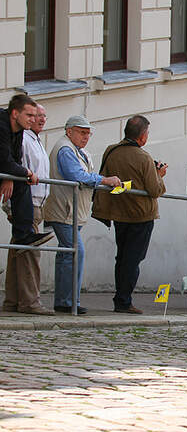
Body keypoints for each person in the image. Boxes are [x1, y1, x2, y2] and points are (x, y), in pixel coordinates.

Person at [42, 115, 122, 315]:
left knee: (66, 254)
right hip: (65, 209)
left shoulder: (78, 151)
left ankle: (64, 300)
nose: (86, 137)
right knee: (76, 252)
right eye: (82, 132)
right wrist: (104, 180)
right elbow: (76, 176)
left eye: (88, 133)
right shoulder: (66, 149)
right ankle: (69, 301)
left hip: (73, 210)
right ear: (69, 131)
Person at [91, 115, 166, 314]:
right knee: (133, 260)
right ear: (142, 136)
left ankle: (121, 298)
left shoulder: (111, 150)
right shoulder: (144, 157)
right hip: (140, 216)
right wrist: (159, 175)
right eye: (147, 133)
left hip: (118, 213)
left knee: (122, 258)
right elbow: (154, 190)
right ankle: (124, 300)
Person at [3, 104, 53, 315]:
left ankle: (13, 300)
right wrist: (11, 179)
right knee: (29, 251)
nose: (38, 119)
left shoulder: (34, 138)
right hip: (27, 202)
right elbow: (13, 162)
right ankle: (30, 301)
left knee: (19, 249)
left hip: (35, 201)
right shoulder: (22, 137)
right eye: (34, 115)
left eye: (42, 116)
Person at [0, 94, 52, 247]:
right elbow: (4, 161)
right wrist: (27, 173)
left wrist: (10, 177)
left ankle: (24, 235)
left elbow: (15, 158)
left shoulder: (19, 128)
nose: (33, 119)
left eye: (35, 116)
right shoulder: (2, 126)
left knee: (21, 183)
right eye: (29, 115)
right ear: (15, 113)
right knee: (24, 178)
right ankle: (24, 235)